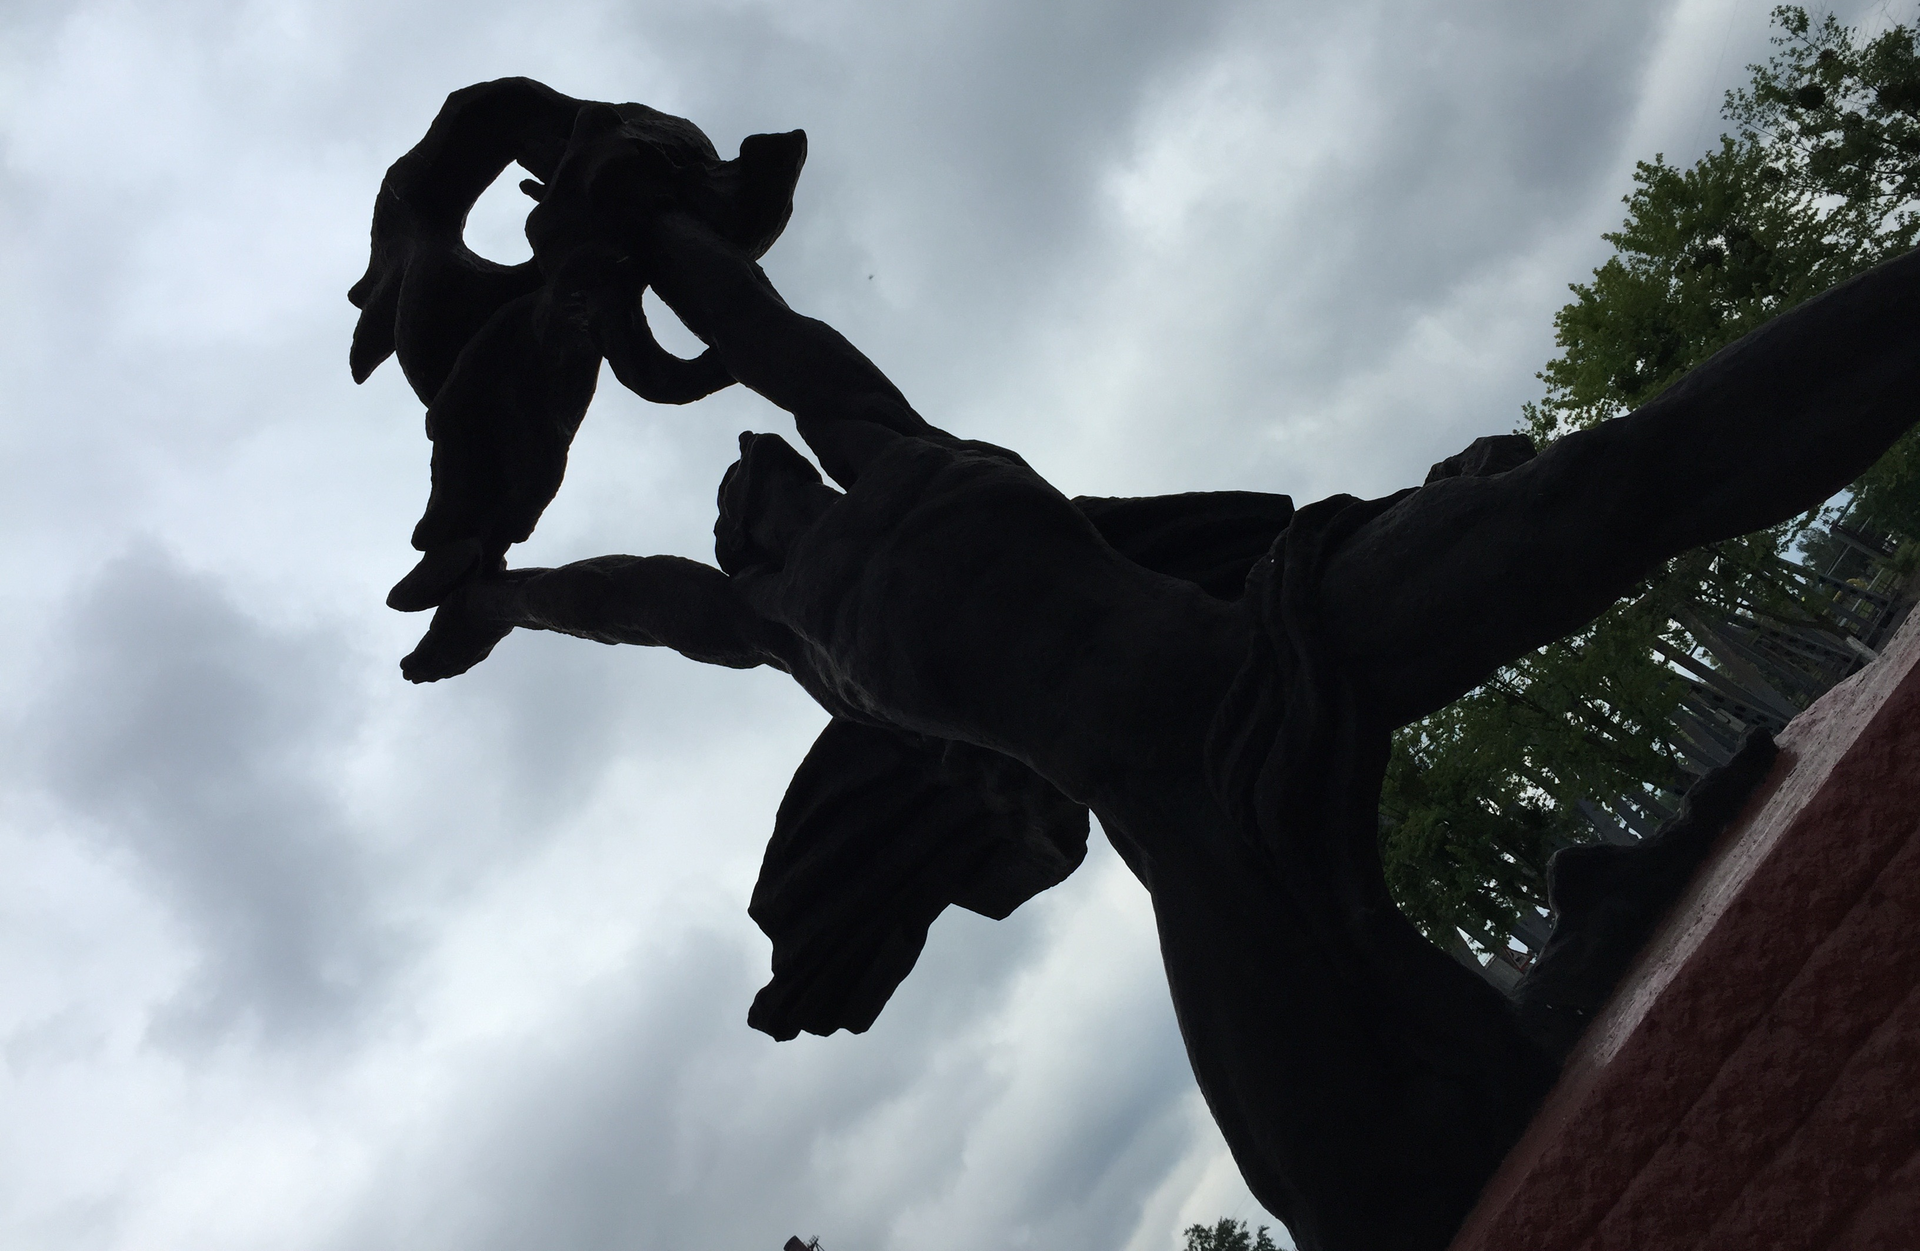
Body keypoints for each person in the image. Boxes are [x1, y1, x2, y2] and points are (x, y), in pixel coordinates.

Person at [396, 124, 1920, 1250]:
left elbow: (768, 338)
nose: (748, 495)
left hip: (1275, 642)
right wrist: (508, 597)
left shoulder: (886, 451)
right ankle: (1557, 990)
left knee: (1625, 484)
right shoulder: (812, 651)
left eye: (757, 480)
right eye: (738, 527)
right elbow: (647, 608)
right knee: (1356, 1200)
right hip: (1188, 818)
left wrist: (639, 227)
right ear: (752, 572)